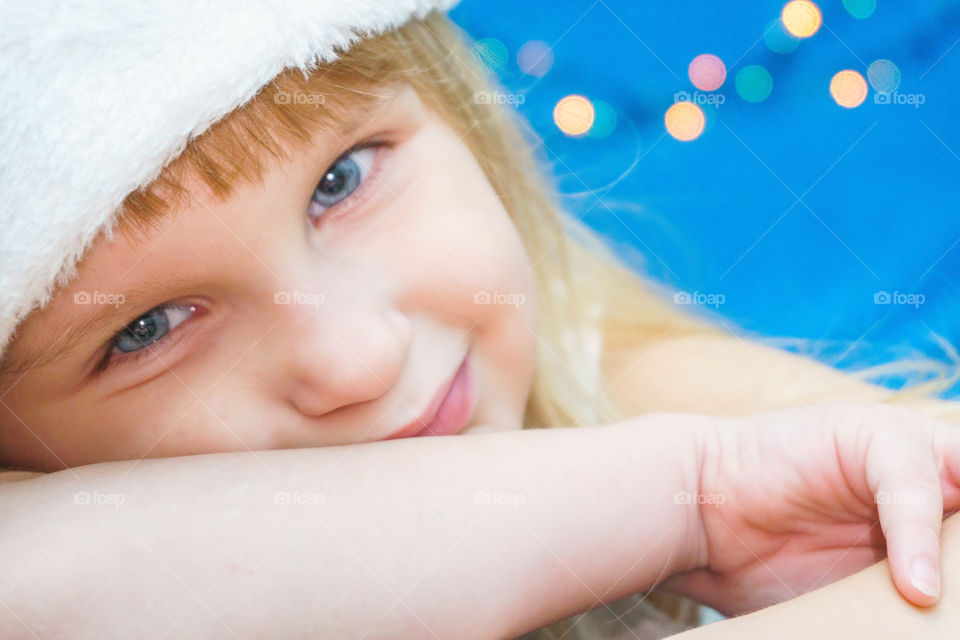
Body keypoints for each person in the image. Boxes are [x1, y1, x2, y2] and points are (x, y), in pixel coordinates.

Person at [2, 1, 959, 638]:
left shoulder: (598, 378)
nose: (363, 358)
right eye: (148, 328)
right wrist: (683, 499)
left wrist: (695, 488)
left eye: (343, 178)